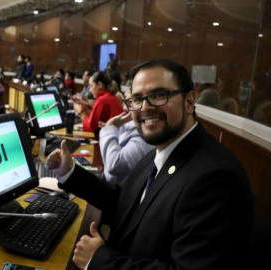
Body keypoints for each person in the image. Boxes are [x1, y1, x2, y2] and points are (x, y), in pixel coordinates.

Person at [46, 58, 253, 270]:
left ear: (189, 101)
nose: (145, 108)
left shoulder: (216, 180)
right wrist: (69, 172)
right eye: (136, 99)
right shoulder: (161, 149)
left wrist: (98, 260)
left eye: (158, 95)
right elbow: (125, 203)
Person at [97, 92, 154, 185]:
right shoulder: (130, 122)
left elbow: (115, 164)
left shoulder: (144, 130)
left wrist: (110, 127)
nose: (125, 93)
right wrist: (115, 130)